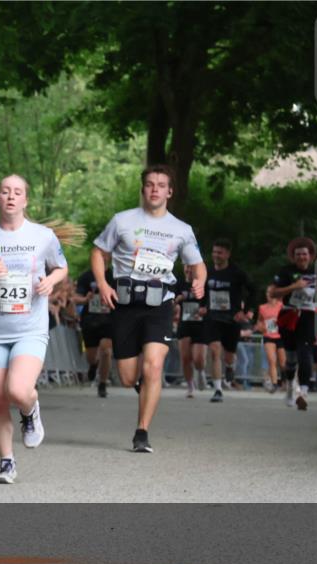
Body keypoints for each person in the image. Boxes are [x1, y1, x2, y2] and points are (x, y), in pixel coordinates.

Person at [91, 164, 205, 453]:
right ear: (143, 189)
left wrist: (200, 281)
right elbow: (98, 252)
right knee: (129, 376)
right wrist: (103, 285)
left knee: (153, 366)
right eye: (150, 184)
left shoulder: (181, 229)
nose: (155, 189)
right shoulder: (122, 221)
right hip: (126, 305)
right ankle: (148, 391)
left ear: (170, 191)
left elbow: (197, 264)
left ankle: (142, 431)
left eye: (161, 184)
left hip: (160, 305)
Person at [0, 174, 68, 482]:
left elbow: (62, 267)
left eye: (17, 192)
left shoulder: (43, 236)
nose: (10, 196)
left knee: (18, 390)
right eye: (5, 191)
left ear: (25, 200)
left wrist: (51, 280)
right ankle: (6, 460)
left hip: (29, 329)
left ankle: (29, 409)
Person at [201, 238, 256, 403]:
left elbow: (254, 290)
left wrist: (246, 311)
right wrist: (203, 305)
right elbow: (202, 291)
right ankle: (217, 389)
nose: (216, 255)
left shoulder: (237, 273)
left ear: (228, 254)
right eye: (214, 252)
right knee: (215, 351)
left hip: (231, 318)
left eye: (220, 252)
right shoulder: (207, 272)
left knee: (229, 355)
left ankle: (230, 367)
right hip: (213, 317)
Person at [269, 237, 317, 410]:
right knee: (290, 358)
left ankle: (303, 393)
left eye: (304, 254)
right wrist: (294, 286)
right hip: (289, 315)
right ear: (293, 256)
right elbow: (274, 293)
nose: (301, 257)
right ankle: (290, 386)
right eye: (298, 254)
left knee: (305, 353)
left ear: (310, 256)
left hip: (308, 315)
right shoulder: (285, 272)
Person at [74, 268, 114, 398]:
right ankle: (93, 365)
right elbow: (75, 297)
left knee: (106, 351)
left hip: (109, 319)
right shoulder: (86, 276)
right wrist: (85, 299)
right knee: (91, 357)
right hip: (90, 320)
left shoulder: (115, 275)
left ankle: (102, 383)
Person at [174, 265, 208, 398]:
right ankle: (190, 386)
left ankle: (200, 371)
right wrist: (177, 300)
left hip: (200, 324)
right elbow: (172, 300)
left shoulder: (203, 284)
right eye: (186, 268)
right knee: (185, 358)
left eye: (191, 268)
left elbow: (210, 303)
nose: (188, 271)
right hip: (185, 323)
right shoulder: (179, 284)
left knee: (199, 359)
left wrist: (205, 309)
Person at [256, 286, 285, 392]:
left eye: (271, 292)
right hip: (268, 336)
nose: (268, 294)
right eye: (267, 292)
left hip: (281, 337)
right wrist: (260, 326)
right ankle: (274, 384)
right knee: (271, 361)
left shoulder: (282, 306)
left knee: (283, 363)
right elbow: (259, 321)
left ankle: (285, 380)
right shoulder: (262, 307)